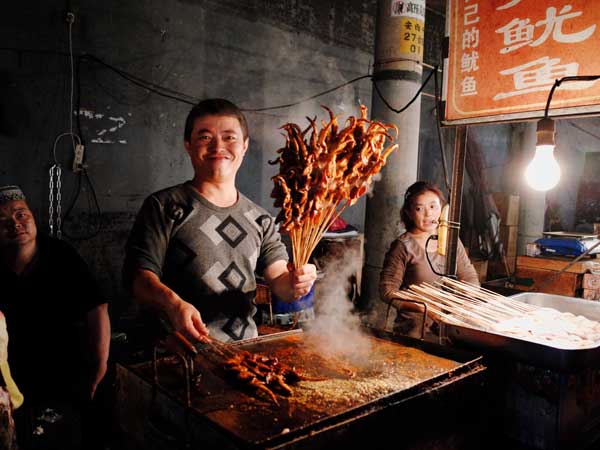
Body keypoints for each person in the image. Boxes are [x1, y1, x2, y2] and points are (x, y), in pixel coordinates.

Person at [123, 98, 317, 343]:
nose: (218, 146)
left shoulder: (261, 219)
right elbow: (138, 278)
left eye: (229, 137)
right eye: (205, 137)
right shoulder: (164, 206)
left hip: (242, 355)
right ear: (188, 145)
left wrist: (298, 282)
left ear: (245, 146)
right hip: (176, 355)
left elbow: (281, 282)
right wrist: (173, 304)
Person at [0, 185, 110, 449]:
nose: (15, 225)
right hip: (13, 379)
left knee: (69, 435)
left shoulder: (60, 255)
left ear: (32, 216)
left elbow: (97, 308)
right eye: (2, 221)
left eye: (20, 215)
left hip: (66, 371)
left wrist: (100, 363)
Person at [379, 181, 479, 337]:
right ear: (409, 213)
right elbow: (387, 291)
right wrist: (422, 307)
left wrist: (465, 302)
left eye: (433, 206)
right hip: (413, 333)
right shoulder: (403, 246)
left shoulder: (450, 241)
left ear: (442, 207)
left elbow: (469, 276)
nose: (428, 214)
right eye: (419, 209)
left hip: (448, 330)